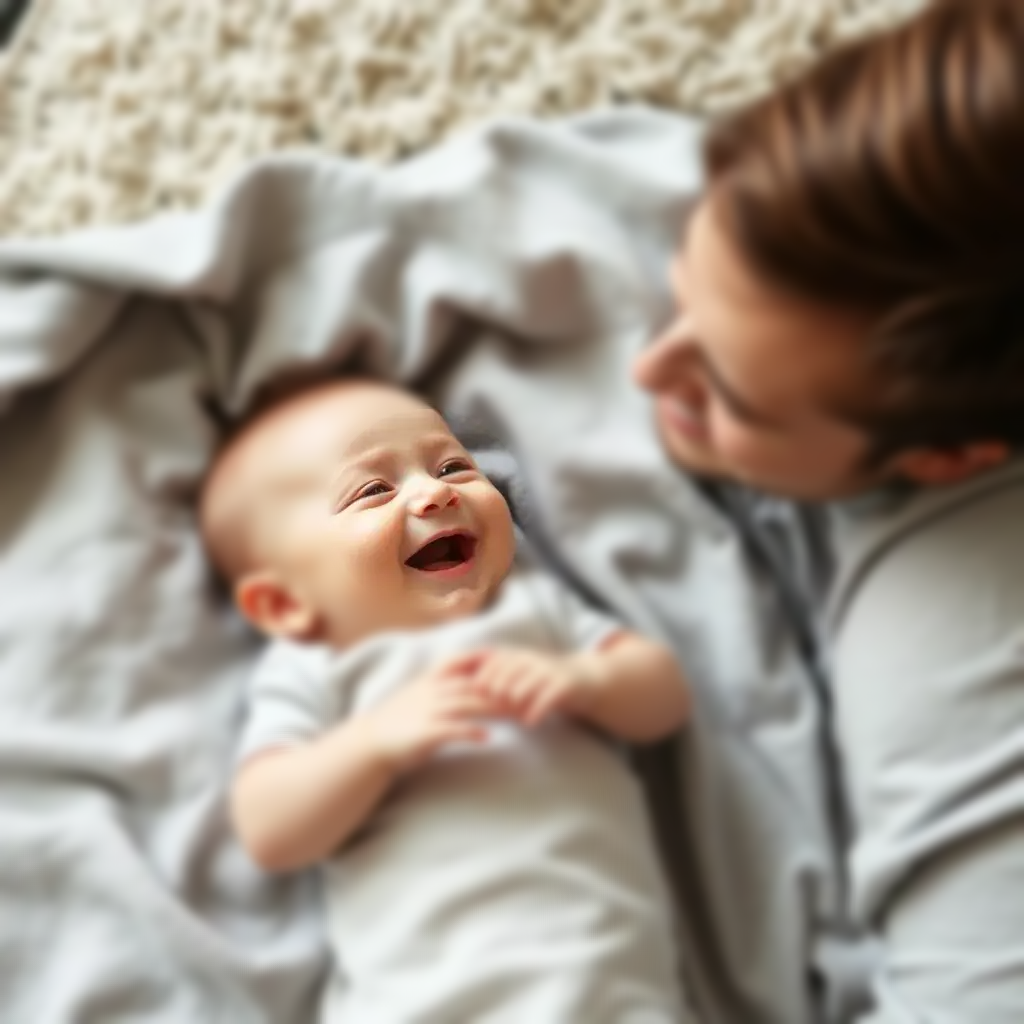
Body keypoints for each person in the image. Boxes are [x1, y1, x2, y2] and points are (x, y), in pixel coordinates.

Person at [629, 0, 1024, 1019]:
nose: (647, 365)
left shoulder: (953, 630)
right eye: (684, 282)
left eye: (725, 391)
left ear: (949, 456)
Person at [199, 378, 691, 1022]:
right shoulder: (320, 668)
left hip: (610, 992)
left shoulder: (538, 616)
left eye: (454, 465)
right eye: (373, 490)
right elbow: (269, 827)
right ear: (287, 604)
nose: (436, 491)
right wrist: (371, 745)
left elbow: (663, 695)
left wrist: (589, 682)